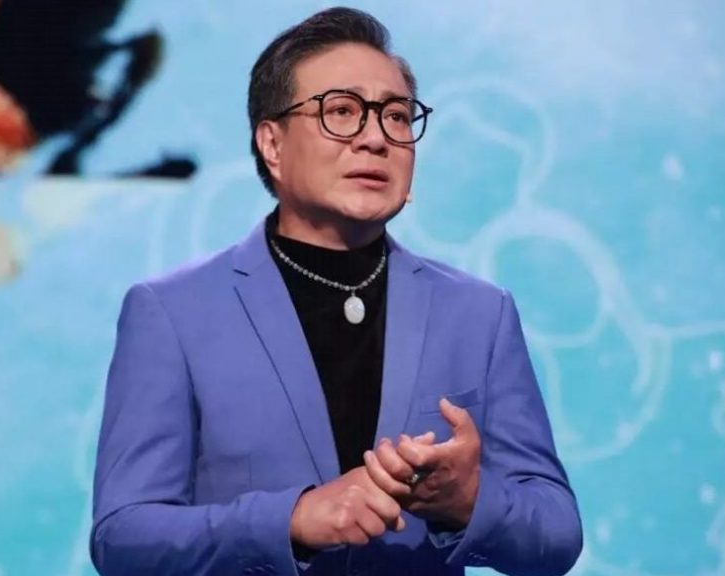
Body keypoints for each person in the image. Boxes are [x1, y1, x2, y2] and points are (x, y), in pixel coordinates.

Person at [91, 7, 582, 575]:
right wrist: (291, 521)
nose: (375, 138)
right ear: (272, 144)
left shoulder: (479, 314)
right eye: (342, 111)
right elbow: (122, 539)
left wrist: (468, 502)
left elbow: (557, 533)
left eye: (396, 117)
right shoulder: (172, 313)